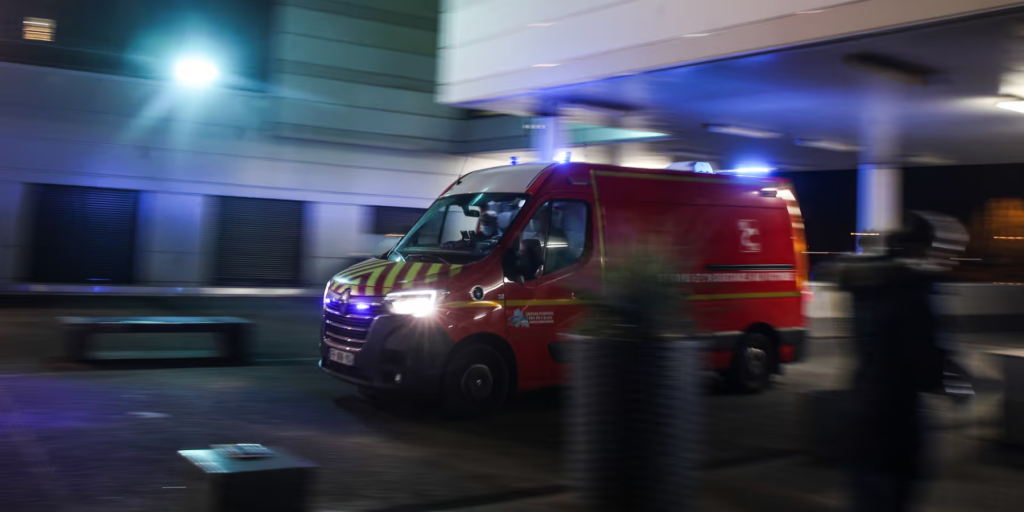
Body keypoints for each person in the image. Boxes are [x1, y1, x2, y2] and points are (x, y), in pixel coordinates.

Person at [838, 212, 968, 512]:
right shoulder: (913, 291)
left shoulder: (866, 284)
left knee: (866, 496)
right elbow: (927, 363)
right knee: (896, 495)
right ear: (922, 247)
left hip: (863, 404)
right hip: (899, 415)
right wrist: (962, 389)